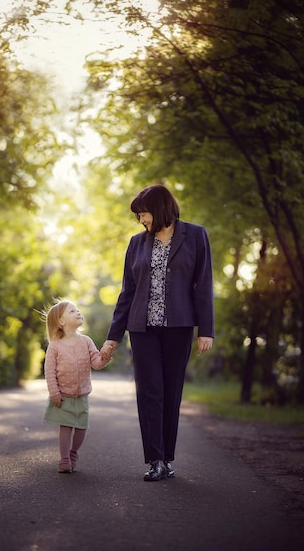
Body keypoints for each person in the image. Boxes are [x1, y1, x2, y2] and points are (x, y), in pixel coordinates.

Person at [101, 184, 214, 482]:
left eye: (143, 214)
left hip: (179, 327)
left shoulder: (196, 235)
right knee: (150, 393)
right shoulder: (137, 243)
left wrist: (207, 330)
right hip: (142, 329)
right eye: (138, 216)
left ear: (160, 208)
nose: (141, 221)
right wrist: (113, 337)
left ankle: (167, 457)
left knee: (171, 392)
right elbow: (127, 293)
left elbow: (203, 285)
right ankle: (156, 460)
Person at [43, 300, 109, 473]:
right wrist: (54, 393)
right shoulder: (55, 346)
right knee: (65, 427)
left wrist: (105, 357)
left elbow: (96, 362)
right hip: (63, 396)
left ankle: (73, 453)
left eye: (78, 310)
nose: (78, 312)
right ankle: (64, 459)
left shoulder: (86, 341)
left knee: (81, 427)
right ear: (61, 321)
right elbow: (49, 372)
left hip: (82, 395)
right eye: (73, 311)